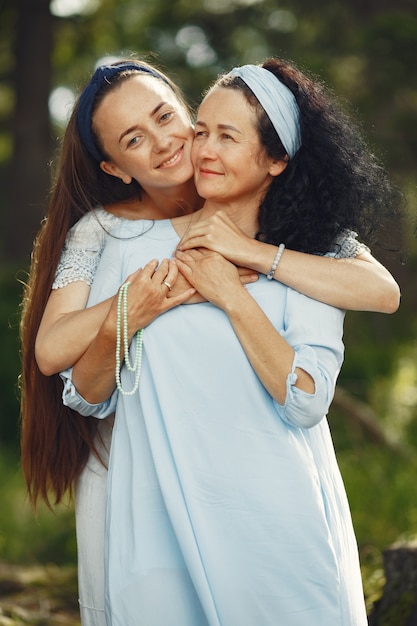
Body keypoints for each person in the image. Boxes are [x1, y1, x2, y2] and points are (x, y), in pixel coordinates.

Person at [59, 58, 401, 625]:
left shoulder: (309, 254)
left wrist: (236, 284)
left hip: (272, 535)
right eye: (202, 131)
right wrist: (134, 310)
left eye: (226, 136)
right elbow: (85, 391)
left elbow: (307, 396)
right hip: (157, 531)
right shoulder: (128, 242)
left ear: (276, 159)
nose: (203, 150)